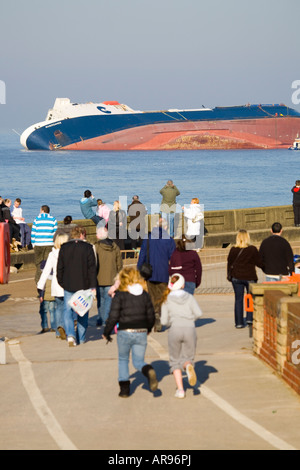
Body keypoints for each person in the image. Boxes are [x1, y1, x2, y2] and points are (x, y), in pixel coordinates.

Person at [103, 267, 158, 398]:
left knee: (123, 360)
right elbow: (151, 315)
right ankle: (148, 369)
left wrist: (107, 331)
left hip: (124, 331)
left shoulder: (120, 295)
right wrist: (148, 329)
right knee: (138, 361)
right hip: (141, 331)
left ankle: (124, 389)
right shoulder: (144, 295)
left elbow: (113, 315)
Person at [160, 273, 203, 398]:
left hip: (175, 330)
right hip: (189, 328)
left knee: (175, 360)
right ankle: (188, 365)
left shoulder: (167, 300)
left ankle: (180, 390)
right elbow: (198, 313)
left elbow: (163, 321)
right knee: (187, 357)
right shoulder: (189, 297)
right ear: (183, 285)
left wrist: (170, 322)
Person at [57, 225, 97, 347]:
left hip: (68, 284)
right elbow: (92, 269)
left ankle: (70, 335)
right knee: (82, 311)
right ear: (81, 235)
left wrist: (62, 282)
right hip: (84, 284)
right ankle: (82, 337)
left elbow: (60, 268)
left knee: (67, 310)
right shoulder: (88, 247)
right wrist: (93, 286)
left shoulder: (64, 247)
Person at [137, 218, 175, 332]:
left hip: (150, 273)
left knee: (153, 297)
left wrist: (139, 270)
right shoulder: (169, 240)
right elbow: (172, 258)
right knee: (162, 298)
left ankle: (155, 316)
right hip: (163, 273)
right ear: (165, 227)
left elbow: (142, 256)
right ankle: (159, 316)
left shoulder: (148, 238)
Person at [227, 230, 262, 328]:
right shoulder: (252, 249)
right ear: (248, 238)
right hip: (250, 276)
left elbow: (229, 264)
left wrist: (229, 276)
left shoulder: (233, 249)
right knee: (250, 298)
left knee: (238, 299)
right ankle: (249, 318)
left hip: (236, 277)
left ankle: (239, 322)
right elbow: (259, 262)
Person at [37, 233, 69, 339]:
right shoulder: (69, 253)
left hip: (56, 284)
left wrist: (40, 285)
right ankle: (65, 327)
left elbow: (45, 272)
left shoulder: (52, 254)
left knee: (58, 307)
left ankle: (58, 331)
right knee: (67, 308)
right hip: (67, 284)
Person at [94, 226, 123, 327]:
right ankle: (105, 319)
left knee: (100, 300)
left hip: (98, 278)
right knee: (108, 300)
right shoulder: (115, 246)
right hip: (111, 278)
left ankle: (101, 318)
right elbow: (119, 264)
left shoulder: (96, 247)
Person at [31, 205, 58, 283]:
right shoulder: (53, 220)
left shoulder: (37, 219)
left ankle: (38, 283)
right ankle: (47, 283)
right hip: (49, 244)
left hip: (38, 244)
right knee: (47, 264)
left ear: (42, 210)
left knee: (38, 264)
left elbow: (33, 233)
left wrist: (33, 244)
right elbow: (55, 234)